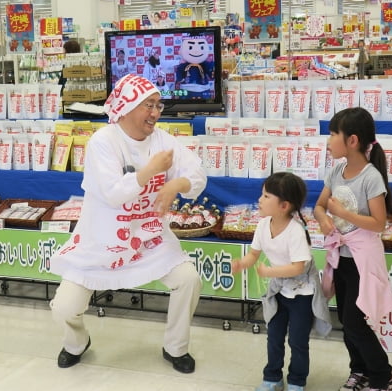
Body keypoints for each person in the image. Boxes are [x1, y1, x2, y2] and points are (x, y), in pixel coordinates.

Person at [49, 73, 207, 374]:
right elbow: (113, 194)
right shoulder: (102, 142)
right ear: (127, 107)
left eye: (159, 105)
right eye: (148, 105)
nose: (155, 113)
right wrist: (150, 171)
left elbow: (196, 174)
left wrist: (176, 186)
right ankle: (76, 343)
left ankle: (176, 347)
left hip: (149, 236)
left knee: (188, 280)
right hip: (101, 239)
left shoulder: (163, 139)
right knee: (64, 307)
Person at [313, 107, 392, 391]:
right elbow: (319, 206)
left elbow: (378, 223)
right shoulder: (337, 170)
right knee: (345, 319)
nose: (328, 141)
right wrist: (325, 219)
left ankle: (383, 375)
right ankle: (359, 370)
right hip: (341, 258)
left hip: (363, 259)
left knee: (355, 321)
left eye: (333, 134)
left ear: (352, 140)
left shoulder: (370, 177)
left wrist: (344, 214)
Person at [232, 172, 332, 391]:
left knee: (297, 341)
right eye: (262, 194)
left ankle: (297, 381)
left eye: (266, 196)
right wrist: (242, 263)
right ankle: (272, 377)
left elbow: (298, 267)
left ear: (284, 205)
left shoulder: (295, 231)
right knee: (274, 337)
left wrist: (270, 272)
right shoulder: (262, 225)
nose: (260, 199)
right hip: (279, 291)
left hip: (302, 295)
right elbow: (254, 254)